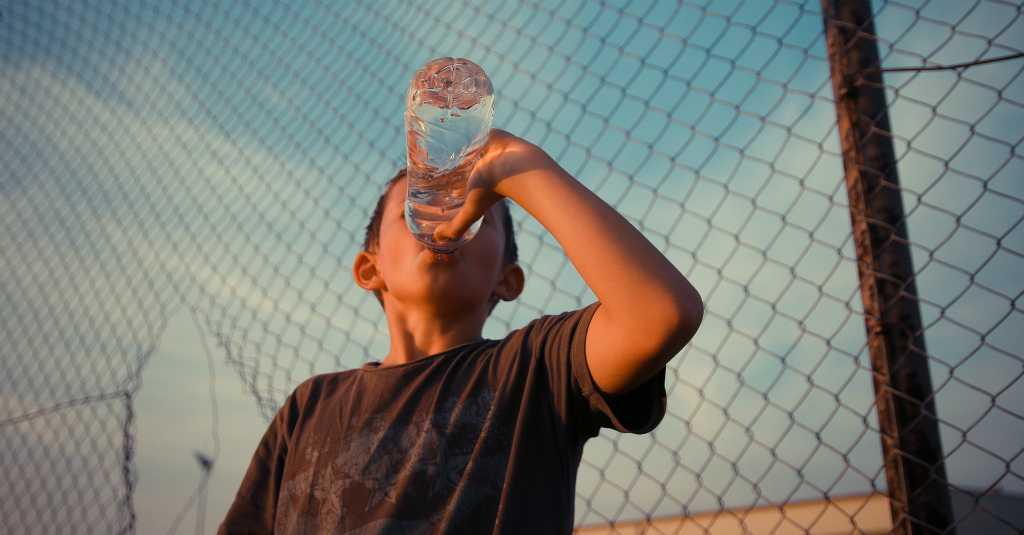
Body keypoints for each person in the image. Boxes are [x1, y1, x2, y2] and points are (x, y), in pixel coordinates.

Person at [218, 129, 704, 534]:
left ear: (507, 280)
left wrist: (520, 169)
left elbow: (660, 313)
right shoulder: (309, 407)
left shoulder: (536, 370)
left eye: (476, 209)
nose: (445, 217)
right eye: (419, 204)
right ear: (370, 269)